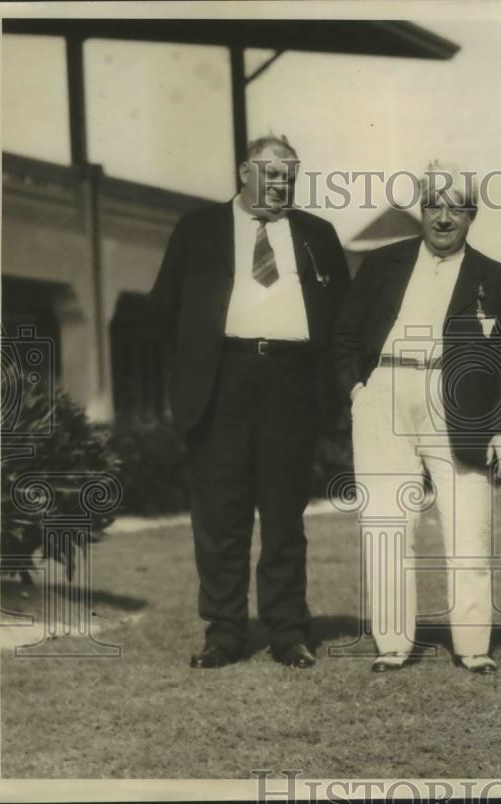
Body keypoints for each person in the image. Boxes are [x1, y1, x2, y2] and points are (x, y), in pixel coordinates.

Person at [149, 135, 349, 669]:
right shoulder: (198, 230)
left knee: (284, 516)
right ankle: (224, 633)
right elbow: (164, 311)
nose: (278, 184)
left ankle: (288, 631)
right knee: (221, 518)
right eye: (268, 172)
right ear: (243, 171)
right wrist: (190, 375)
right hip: (222, 381)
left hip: (291, 383)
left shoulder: (316, 235)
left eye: (288, 176)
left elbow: (340, 317)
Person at [333, 161, 501, 674]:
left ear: (472, 214)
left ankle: (473, 646)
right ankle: (393, 643)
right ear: (422, 210)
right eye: (433, 205)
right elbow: (345, 335)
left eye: (456, 207)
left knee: (468, 526)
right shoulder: (382, 264)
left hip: (459, 403)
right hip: (385, 392)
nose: (443, 217)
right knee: (386, 522)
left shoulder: (497, 278)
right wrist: (358, 389)